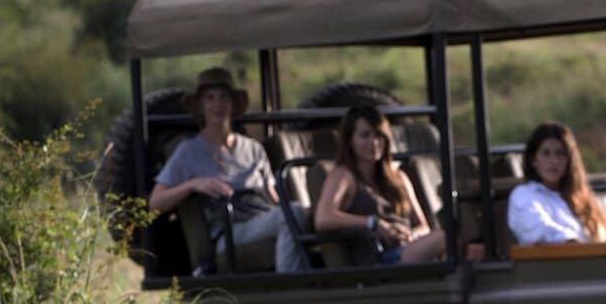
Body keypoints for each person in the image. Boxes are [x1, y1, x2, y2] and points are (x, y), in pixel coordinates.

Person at [148, 67, 308, 274]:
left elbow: (274, 198)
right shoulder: (188, 151)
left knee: (299, 213)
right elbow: (155, 203)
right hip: (230, 228)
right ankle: (293, 285)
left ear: (232, 104)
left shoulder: (252, 148)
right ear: (201, 106)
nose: (218, 105)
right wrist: (193, 184)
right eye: (210, 98)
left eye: (224, 98)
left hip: (263, 216)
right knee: (294, 214)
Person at [314, 104, 446, 264]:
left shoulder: (399, 177)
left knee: (458, 241)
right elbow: (323, 218)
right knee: (447, 238)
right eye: (365, 135)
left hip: (408, 247)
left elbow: (423, 226)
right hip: (379, 257)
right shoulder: (344, 176)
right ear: (350, 141)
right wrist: (373, 224)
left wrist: (411, 235)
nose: (374, 142)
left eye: (379, 135)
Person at [507, 122, 606, 244]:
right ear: (533, 160)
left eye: (560, 153)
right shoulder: (524, 195)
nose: (553, 161)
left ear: (569, 161)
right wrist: (572, 242)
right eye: (546, 153)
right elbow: (539, 231)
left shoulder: (584, 200)